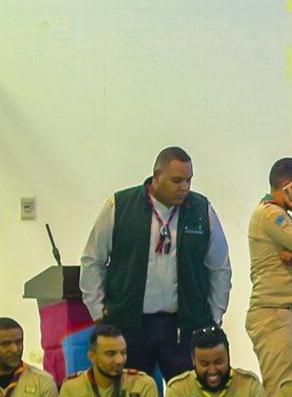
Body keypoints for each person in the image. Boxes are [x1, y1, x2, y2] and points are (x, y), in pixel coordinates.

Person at [80, 147, 232, 382]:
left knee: (187, 395)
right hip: (130, 325)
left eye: (189, 180)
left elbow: (220, 267)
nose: (184, 188)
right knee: (131, 394)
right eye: (177, 180)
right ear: (157, 176)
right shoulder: (120, 206)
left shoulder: (201, 209)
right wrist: (98, 314)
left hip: (184, 327)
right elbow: (93, 260)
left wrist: (214, 317)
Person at [246, 156, 292, 390]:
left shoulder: (281, 216)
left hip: (290, 315)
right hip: (276, 315)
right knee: (279, 394)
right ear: (288, 186)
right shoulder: (269, 214)